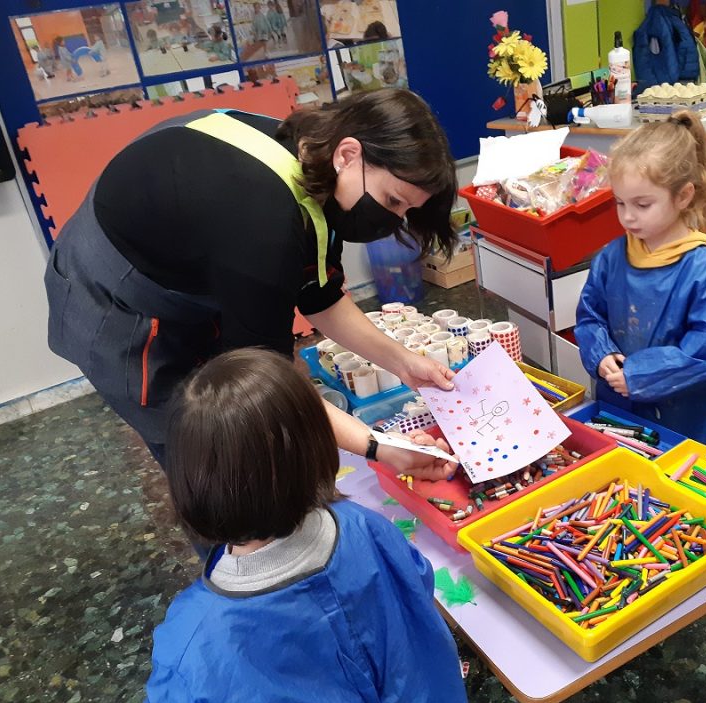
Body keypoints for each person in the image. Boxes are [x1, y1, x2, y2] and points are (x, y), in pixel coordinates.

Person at [43, 88, 459, 482]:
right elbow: (269, 384)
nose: (394, 220)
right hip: (114, 298)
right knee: (203, 447)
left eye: (407, 210)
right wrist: (378, 446)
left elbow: (319, 294)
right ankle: (228, 532)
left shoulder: (312, 159)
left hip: (194, 265)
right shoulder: (263, 225)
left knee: (240, 409)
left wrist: (403, 362)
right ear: (348, 154)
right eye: (392, 201)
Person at [136, 348, 479, 703]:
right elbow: (417, 585)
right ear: (319, 451)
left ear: (186, 480)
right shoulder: (363, 526)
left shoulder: (191, 641)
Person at [574, 110, 706, 453]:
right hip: (623, 414)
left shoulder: (704, 271)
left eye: (642, 204)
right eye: (620, 203)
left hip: (690, 425)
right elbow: (590, 316)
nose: (627, 216)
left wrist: (641, 375)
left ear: (683, 196)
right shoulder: (612, 257)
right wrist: (601, 354)